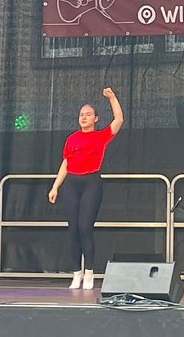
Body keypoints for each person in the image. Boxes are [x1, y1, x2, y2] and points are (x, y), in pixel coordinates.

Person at [48, 87, 124, 290]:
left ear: (96, 119)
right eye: (81, 115)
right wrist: (56, 186)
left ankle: (89, 272)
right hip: (71, 183)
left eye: (88, 114)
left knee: (85, 228)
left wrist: (112, 98)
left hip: (91, 183)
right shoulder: (71, 139)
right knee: (72, 230)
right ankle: (76, 273)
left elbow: (118, 120)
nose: (83, 117)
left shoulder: (100, 136)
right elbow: (65, 163)